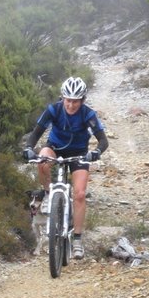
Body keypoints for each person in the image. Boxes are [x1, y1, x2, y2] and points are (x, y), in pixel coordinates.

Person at [23, 76, 108, 259]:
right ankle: (47, 195)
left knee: (79, 194)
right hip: (55, 148)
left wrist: (96, 152)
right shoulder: (53, 110)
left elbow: (103, 140)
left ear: (82, 100)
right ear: (62, 98)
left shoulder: (88, 114)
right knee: (43, 160)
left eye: (75, 101)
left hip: (79, 153)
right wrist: (29, 148)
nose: (71, 105)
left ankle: (77, 239)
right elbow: (36, 133)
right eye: (68, 100)